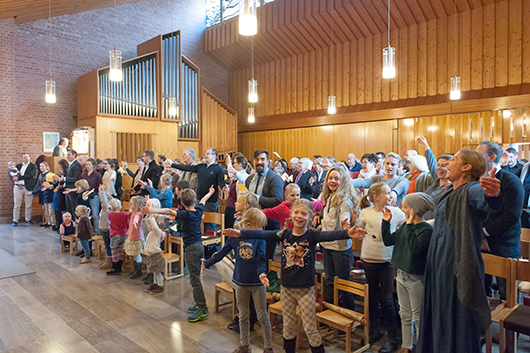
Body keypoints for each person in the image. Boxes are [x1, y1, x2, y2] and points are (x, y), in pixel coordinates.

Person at [222, 199, 367, 353]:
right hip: (287, 289)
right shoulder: (284, 234)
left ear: (310, 217)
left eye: (304, 214)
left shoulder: (312, 236)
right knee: (289, 326)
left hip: (305, 291)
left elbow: (330, 235)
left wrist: (347, 233)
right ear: (291, 215)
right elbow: (263, 233)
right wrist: (240, 233)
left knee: (310, 328)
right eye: (296, 212)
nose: (299, 216)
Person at [418, 149, 502, 353]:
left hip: (454, 265)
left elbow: (484, 199)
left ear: (467, 167)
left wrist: (493, 196)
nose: (447, 164)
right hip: (439, 263)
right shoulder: (451, 191)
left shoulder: (471, 189)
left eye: (453, 160)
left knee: (454, 319)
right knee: (438, 315)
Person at [203, 208, 274, 353]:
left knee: (262, 316)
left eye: (262, 226)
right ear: (247, 224)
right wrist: (207, 263)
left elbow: (261, 259)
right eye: (258, 226)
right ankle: (244, 345)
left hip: (257, 283)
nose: (261, 229)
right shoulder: (235, 237)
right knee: (243, 314)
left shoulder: (260, 238)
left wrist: (262, 273)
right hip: (240, 282)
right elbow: (222, 252)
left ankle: (268, 347)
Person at [144, 185, 216, 322]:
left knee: (194, 279)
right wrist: (210, 191)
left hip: (191, 249)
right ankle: (199, 303)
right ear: (194, 201)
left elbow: (167, 211)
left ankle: (202, 307)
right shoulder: (198, 210)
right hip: (198, 247)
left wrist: (152, 210)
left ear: (182, 203)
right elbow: (204, 200)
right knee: (195, 278)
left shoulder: (184, 213)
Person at [382, 193, 435, 353]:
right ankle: (406, 346)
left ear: (414, 210)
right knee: (404, 314)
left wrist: (411, 225)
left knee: (417, 317)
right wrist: (386, 222)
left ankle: (422, 348)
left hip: (415, 279)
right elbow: (388, 240)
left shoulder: (426, 230)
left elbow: (415, 249)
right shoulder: (406, 226)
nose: (401, 209)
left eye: (405, 206)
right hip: (402, 275)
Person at [357, 182, 406, 352]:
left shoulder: (397, 213)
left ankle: (394, 338)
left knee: (386, 299)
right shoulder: (366, 213)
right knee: (371, 296)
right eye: (386, 193)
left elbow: (403, 233)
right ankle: (374, 331)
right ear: (376, 197)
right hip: (369, 259)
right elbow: (360, 229)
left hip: (387, 261)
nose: (390, 195)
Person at [476, 140, 523, 301]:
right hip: (480, 241)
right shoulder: (476, 180)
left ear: (492, 157)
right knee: (481, 292)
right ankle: (484, 324)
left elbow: (511, 216)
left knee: (506, 295)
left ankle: (509, 326)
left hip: (505, 243)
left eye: (479, 155)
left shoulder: (511, 181)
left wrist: (484, 233)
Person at [319, 165, 358, 309]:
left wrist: (345, 222)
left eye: (336, 179)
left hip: (340, 248)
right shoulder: (329, 196)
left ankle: (348, 315)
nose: (333, 181)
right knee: (329, 281)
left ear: (343, 181)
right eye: (330, 178)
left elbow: (344, 213)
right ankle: (331, 313)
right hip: (327, 245)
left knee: (343, 282)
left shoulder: (344, 199)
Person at [170, 148, 224, 215]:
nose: (205, 155)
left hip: (210, 201)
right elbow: (187, 168)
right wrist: (172, 165)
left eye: (208, 153)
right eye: (205, 154)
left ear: (214, 156)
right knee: (199, 221)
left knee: (208, 224)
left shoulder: (218, 168)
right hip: (199, 199)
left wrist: (224, 188)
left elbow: (221, 183)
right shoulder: (201, 166)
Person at [142, 200, 166, 294]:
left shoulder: (157, 232)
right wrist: (149, 218)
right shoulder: (152, 233)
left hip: (156, 256)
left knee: (158, 273)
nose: (149, 226)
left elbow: (155, 227)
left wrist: (152, 219)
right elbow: (151, 226)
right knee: (154, 272)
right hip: (151, 255)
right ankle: (155, 284)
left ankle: (160, 286)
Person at [224, 153, 250, 229]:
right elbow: (232, 175)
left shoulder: (244, 176)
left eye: (234, 163)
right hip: (232, 205)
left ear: (240, 164)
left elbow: (234, 173)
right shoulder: (237, 175)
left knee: (234, 228)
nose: (234, 164)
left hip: (239, 206)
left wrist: (229, 162)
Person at [12, 153, 37, 226]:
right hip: (18, 186)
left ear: (29, 157)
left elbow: (30, 175)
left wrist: (19, 178)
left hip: (28, 187)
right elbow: (12, 173)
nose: (26, 158)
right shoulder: (18, 166)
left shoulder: (33, 166)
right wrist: (13, 178)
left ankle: (28, 219)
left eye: (27, 157)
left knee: (28, 204)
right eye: (24, 157)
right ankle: (15, 220)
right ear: (22, 158)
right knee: (17, 204)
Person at [56, 150, 82, 220]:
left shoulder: (77, 165)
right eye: (67, 155)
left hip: (72, 189)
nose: (67, 156)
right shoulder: (71, 164)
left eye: (69, 155)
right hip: (68, 189)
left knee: (73, 209)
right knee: (69, 209)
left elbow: (76, 178)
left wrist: (64, 179)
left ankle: (75, 225)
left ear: (74, 155)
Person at [124, 196, 146, 280]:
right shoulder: (134, 212)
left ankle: (138, 271)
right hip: (132, 234)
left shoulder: (139, 214)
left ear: (137, 205)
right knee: (134, 253)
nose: (131, 206)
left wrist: (135, 223)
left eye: (132, 204)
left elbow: (136, 219)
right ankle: (136, 269)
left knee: (137, 254)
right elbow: (131, 212)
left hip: (137, 236)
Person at [106, 199, 129, 276]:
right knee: (120, 250)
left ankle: (115, 268)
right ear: (119, 206)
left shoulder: (110, 215)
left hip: (114, 234)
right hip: (123, 234)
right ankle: (120, 266)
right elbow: (127, 224)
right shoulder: (124, 214)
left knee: (114, 251)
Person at [80, 158, 102, 234]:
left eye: (89, 164)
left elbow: (99, 186)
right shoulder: (83, 175)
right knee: (86, 215)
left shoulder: (97, 175)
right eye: (87, 164)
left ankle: (97, 232)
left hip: (94, 196)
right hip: (85, 196)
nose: (88, 166)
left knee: (95, 215)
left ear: (93, 165)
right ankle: (88, 231)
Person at [32, 161, 55, 227]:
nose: (41, 168)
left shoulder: (50, 174)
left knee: (50, 210)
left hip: (48, 193)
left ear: (46, 167)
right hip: (42, 193)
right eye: (40, 166)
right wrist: (35, 191)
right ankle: (47, 222)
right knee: (45, 209)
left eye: (42, 166)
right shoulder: (40, 175)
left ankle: (51, 223)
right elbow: (38, 184)